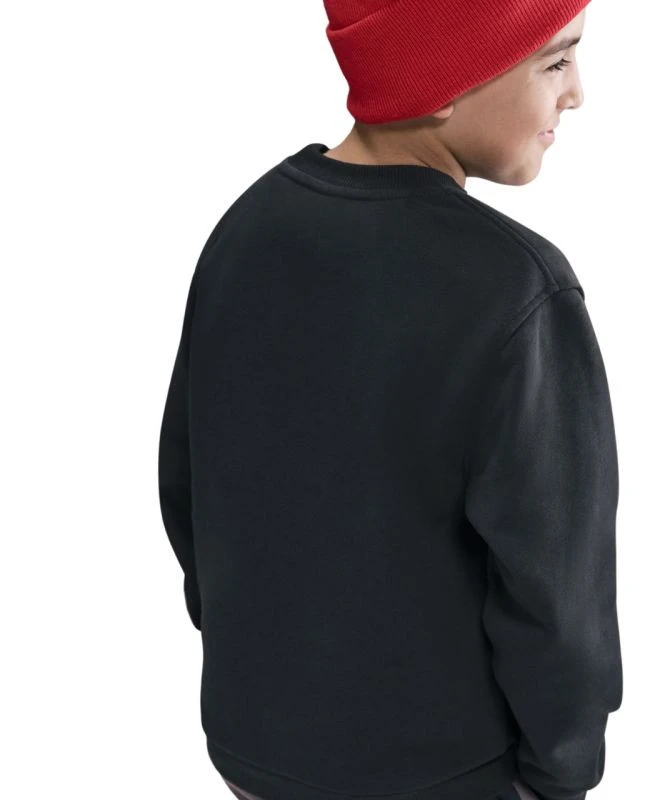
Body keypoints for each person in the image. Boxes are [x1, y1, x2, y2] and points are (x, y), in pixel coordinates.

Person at [157, 1, 623, 799]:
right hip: (444, 776)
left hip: (253, 755)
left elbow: (188, 489)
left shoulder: (247, 228)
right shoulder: (515, 289)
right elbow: (556, 599)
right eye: (555, 60)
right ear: (440, 81)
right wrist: (562, 774)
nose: (576, 93)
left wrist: (263, 681)